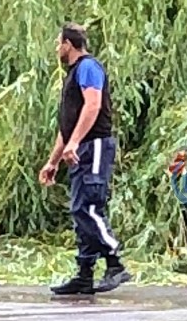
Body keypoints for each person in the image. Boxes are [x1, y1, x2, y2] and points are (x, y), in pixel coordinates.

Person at [39, 23, 131, 295]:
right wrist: (53, 161)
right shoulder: (72, 75)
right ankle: (84, 274)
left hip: (95, 146)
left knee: (87, 207)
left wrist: (77, 142)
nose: (57, 48)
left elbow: (93, 105)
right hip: (79, 149)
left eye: (59, 43)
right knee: (79, 208)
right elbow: (66, 125)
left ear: (68, 44)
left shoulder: (89, 67)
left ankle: (115, 262)